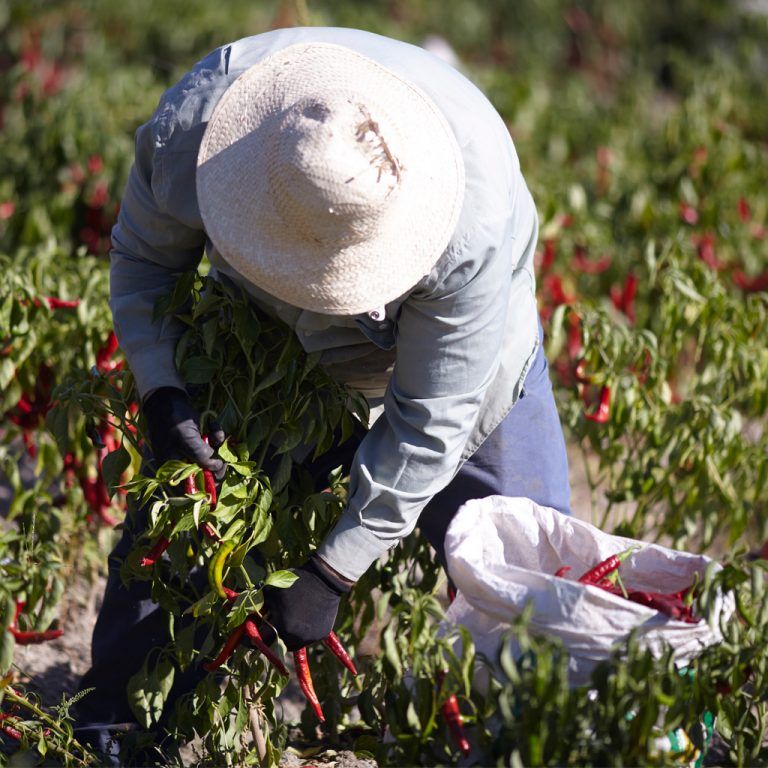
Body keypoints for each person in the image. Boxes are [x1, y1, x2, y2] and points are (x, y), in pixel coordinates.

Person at [75, 25, 571, 756]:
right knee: (187, 515)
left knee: (525, 564)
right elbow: (145, 261)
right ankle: (116, 725)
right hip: (265, 334)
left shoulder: (466, 227)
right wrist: (162, 392)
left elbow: (430, 423)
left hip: (464, 362)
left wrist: (335, 569)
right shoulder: (200, 132)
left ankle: (538, 736)